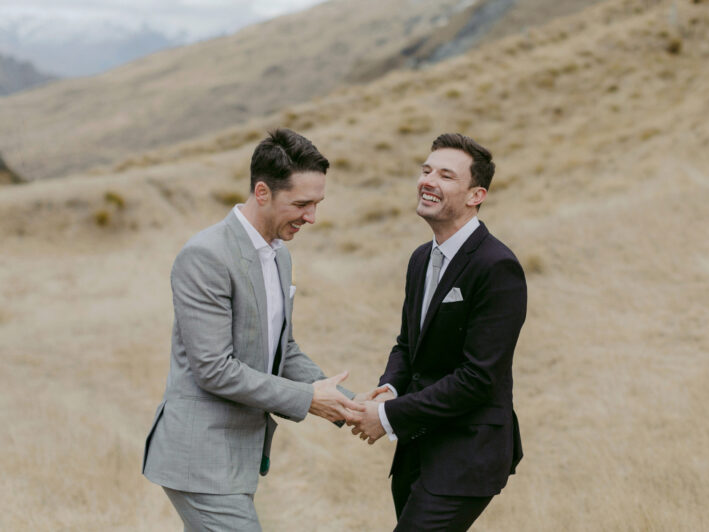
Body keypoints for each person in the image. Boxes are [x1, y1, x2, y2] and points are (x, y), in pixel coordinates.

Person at [142, 128, 363, 531]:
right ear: (262, 193)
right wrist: (309, 400)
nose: (312, 217)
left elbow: (284, 349)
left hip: (237, 456)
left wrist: (350, 404)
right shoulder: (205, 256)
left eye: (317, 203)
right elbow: (214, 369)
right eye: (301, 204)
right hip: (200, 458)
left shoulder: (279, 257)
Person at [350, 133, 527, 531]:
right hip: (418, 448)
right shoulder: (420, 259)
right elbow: (408, 344)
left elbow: (478, 378)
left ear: (474, 195)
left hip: (467, 453)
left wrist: (388, 416)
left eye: (446, 175)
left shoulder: (497, 266)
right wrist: (390, 388)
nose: (428, 181)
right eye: (426, 170)